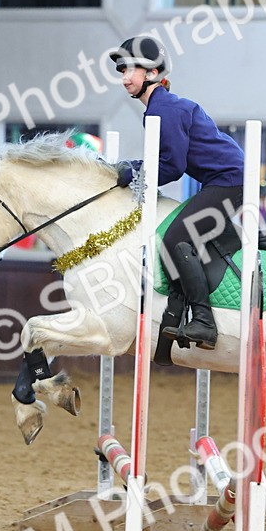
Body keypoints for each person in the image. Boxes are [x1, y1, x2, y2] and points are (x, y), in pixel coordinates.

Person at [110, 36, 244, 350]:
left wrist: (132, 170)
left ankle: (204, 321)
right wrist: (135, 167)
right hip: (222, 180)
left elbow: (171, 166)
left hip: (229, 181)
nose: (126, 77)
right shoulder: (162, 106)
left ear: (153, 72)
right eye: (122, 70)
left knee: (175, 239)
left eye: (133, 69)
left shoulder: (163, 109)